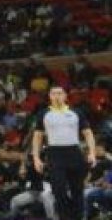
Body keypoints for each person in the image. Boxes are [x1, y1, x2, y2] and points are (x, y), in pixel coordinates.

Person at [32, 85, 97, 219]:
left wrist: (92, 153)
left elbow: (88, 133)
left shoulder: (76, 112)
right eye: (54, 93)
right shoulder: (43, 114)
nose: (57, 96)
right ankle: (66, 216)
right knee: (58, 190)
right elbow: (37, 137)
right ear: (49, 96)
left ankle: (77, 217)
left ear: (65, 96)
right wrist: (36, 158)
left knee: (77, 189)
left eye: (60, 93)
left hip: (74, 152)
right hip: (54, 154)